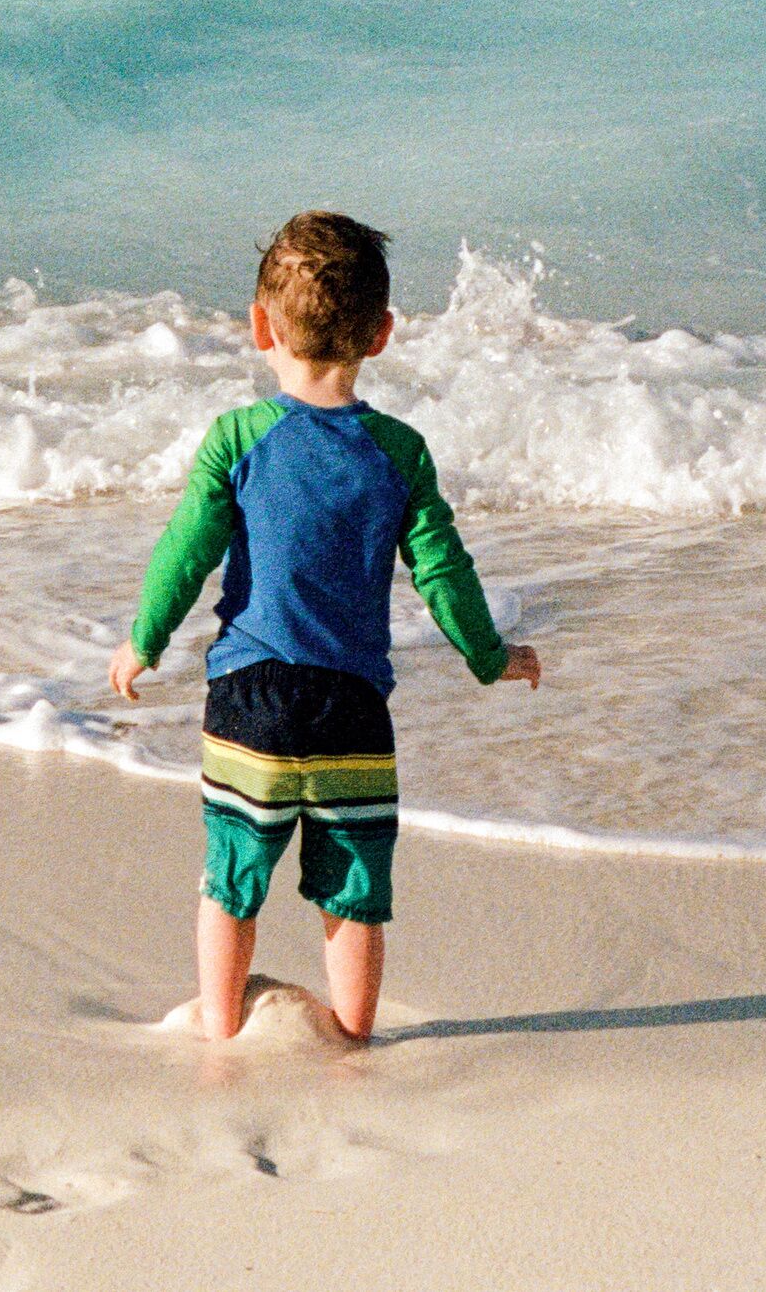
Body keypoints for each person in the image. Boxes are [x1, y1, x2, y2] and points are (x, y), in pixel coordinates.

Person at [105, 212, 540, 1045]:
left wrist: (143, 641)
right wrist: (490, 657)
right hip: (352, 713)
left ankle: (221, 1032)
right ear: (380, 335)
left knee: (232, 880)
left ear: (260, 326)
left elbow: (184, 553)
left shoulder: (236, 437)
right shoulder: (400, 452)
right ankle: (352, 1040)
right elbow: (443, 571)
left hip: (250, 703)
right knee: (354, 893)